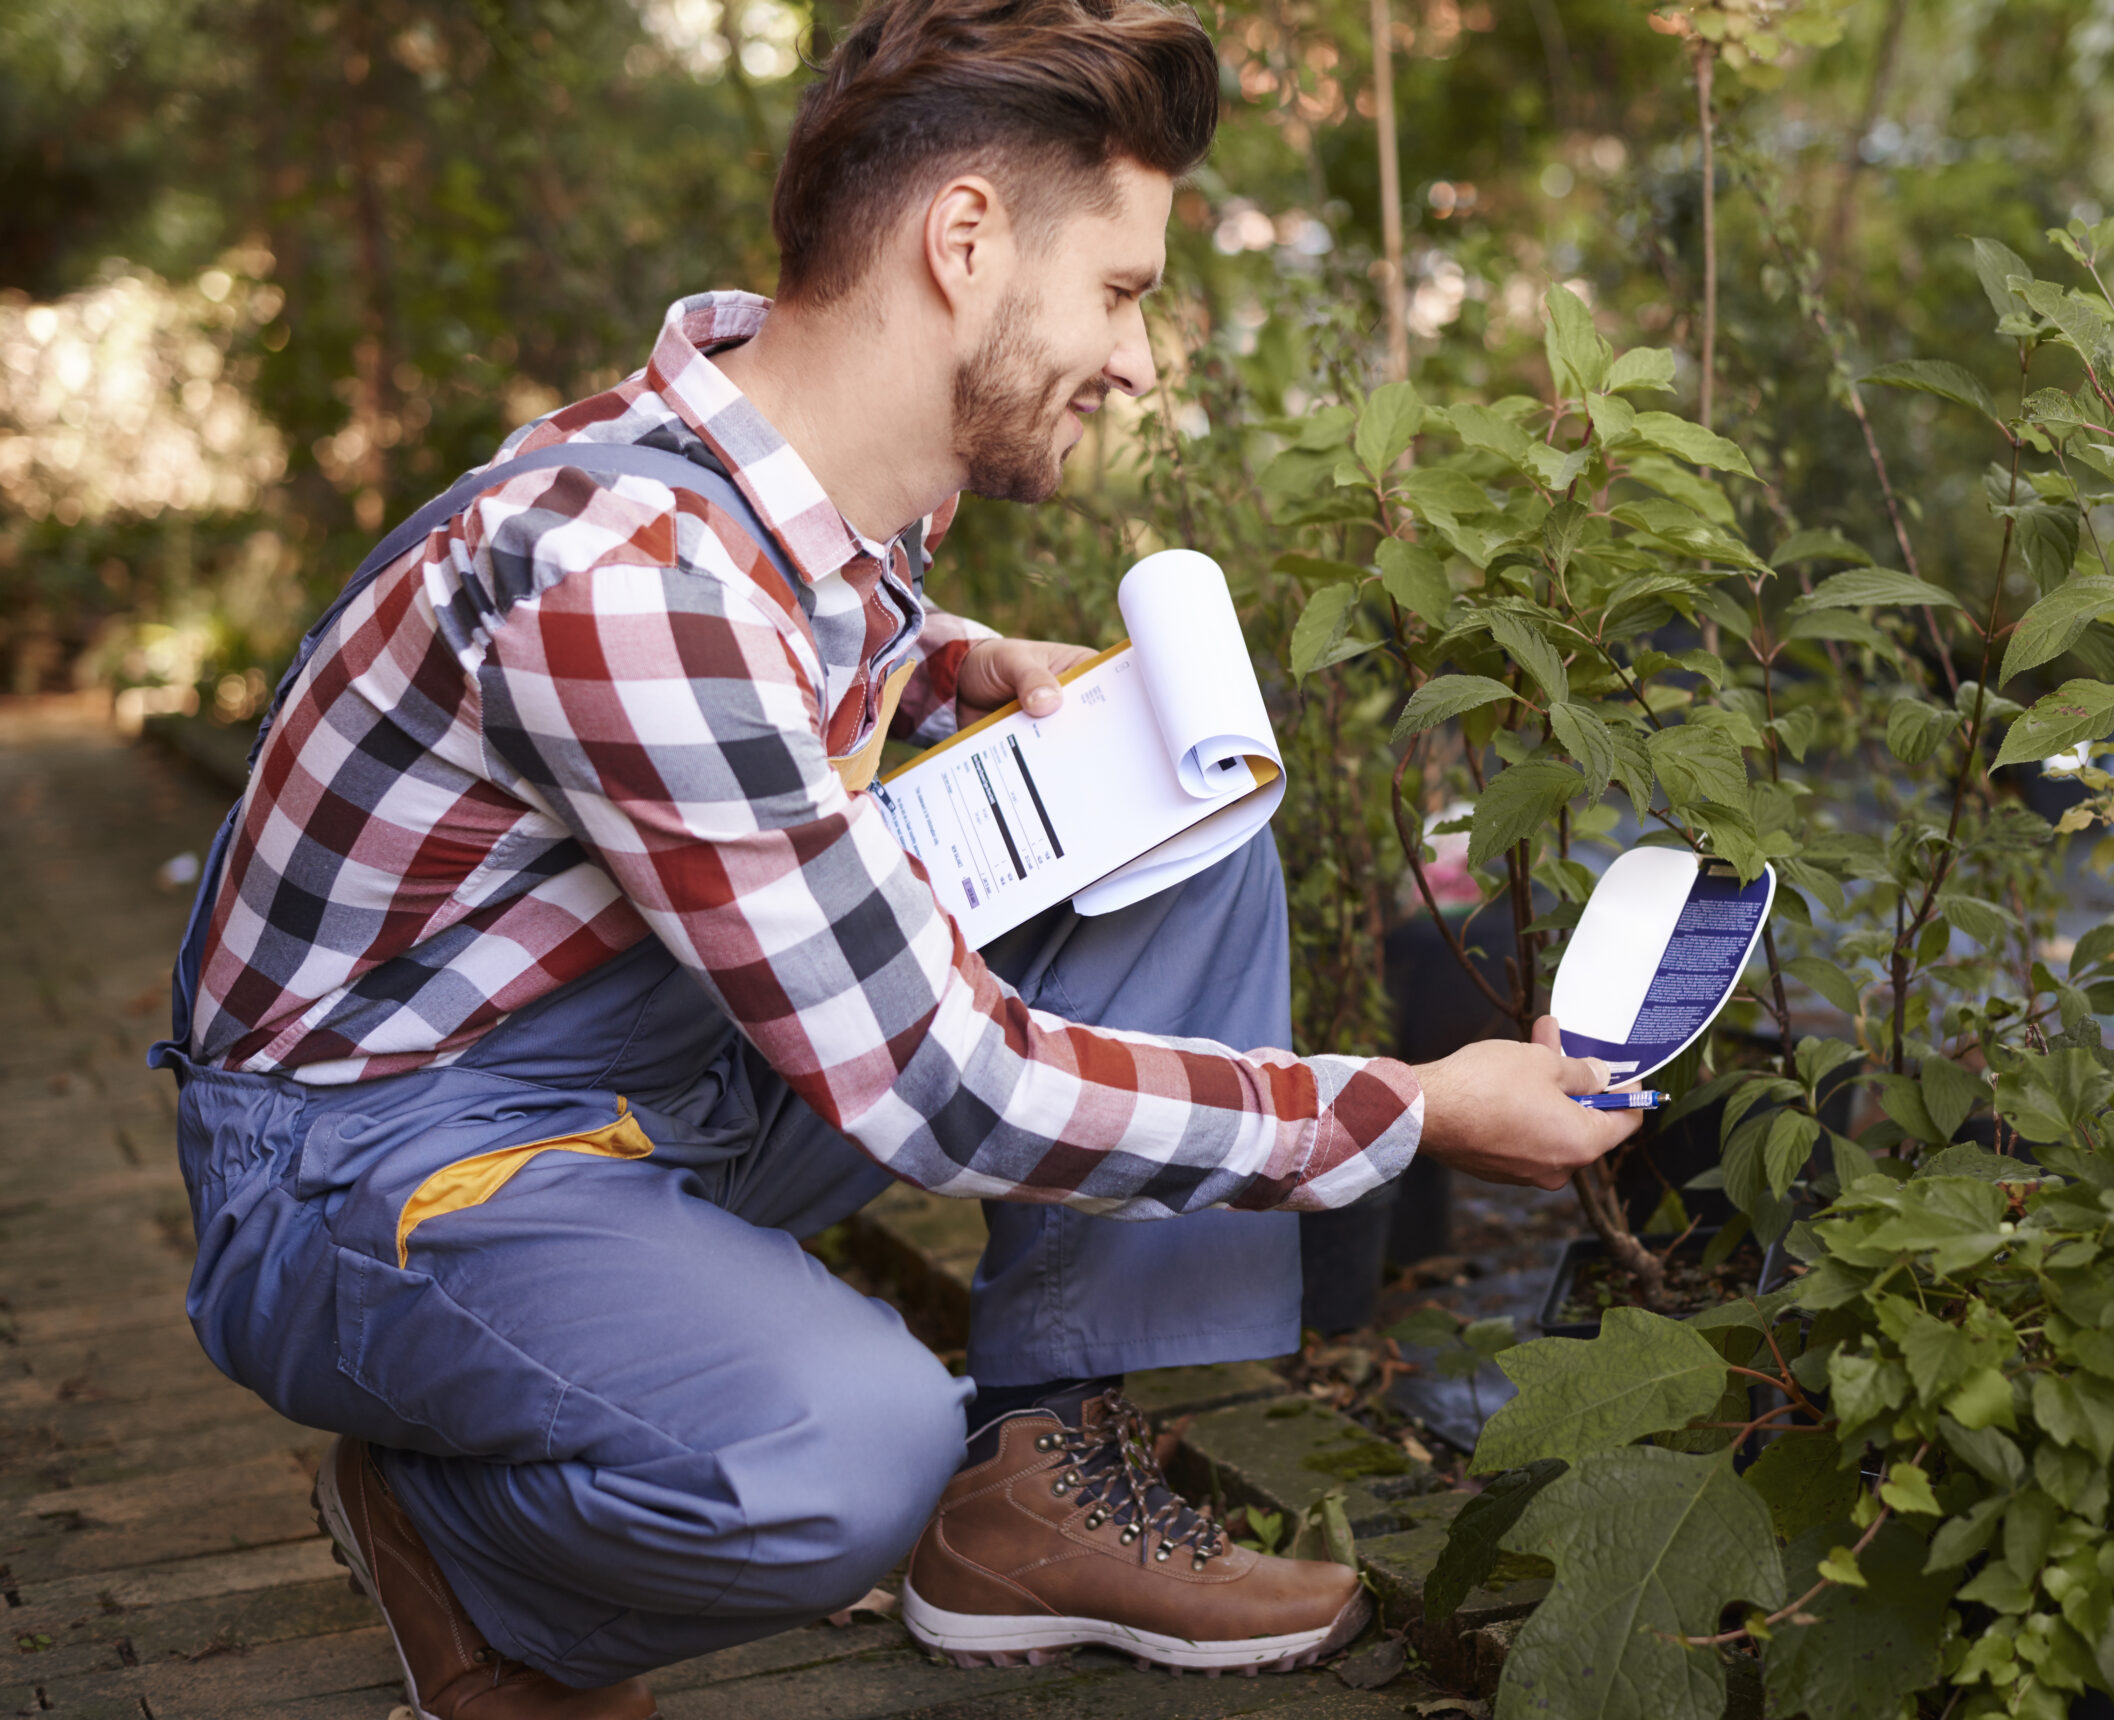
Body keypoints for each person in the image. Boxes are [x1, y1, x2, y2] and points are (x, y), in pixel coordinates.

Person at [151, 1, 1637, 1714]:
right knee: (841, 1448)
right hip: (376, 1170)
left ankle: (1039, 1478)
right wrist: (1414, 1110)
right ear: (964, 241)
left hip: (655, 1085)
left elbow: (780, 660)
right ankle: (468, 1556)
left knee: (1180, 817)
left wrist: (959, 658)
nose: (1142, 360)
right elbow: (939, 1085)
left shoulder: (824, 489)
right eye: (1124, 293)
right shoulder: (621, 571)